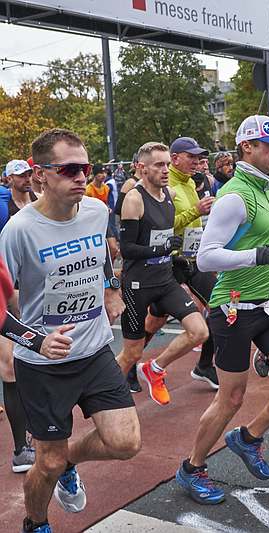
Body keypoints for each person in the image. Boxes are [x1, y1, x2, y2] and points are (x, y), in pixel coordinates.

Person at [0, 128, 140, 533]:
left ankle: (71, 463)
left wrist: (112, 291)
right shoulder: (18, 232)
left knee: (126, 443)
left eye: (86, 167)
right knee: (47, 460)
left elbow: (100, 261)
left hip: (95, 351)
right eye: (70, 169)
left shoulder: (96, 213)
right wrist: (37, 340)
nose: (81, 176)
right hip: (43, 365)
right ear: (40, 174)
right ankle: (36, 522)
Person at [176, 115, 269, 504]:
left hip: (266, 305)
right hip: (232, 310)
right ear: (247, 147)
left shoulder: (268, 186)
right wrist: (262, 254)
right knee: (231, 398)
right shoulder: (235, 194)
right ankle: (192, 467)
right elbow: (206, 258)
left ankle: (248, 438)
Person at [116, 142, 210, 405]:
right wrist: (162, 247)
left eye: (168, 164)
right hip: (138, 285)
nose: (166, 169)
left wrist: (172, 253)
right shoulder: (134, 199)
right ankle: (104, 393)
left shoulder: (168, 193)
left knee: (199, 331)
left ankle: (155, 369)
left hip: (165, 279)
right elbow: (127, 248)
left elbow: (169, 233)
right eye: (159, 164)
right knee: (131, 353)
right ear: (142, 168)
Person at [1, 159, 38, 474]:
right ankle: (19, 449)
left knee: (37, 359)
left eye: (28, 174)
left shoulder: (41, 204)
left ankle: (40, 428)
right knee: (10, 365)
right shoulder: (3, 210)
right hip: (6, 293)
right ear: (8, 179)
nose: (25, 179)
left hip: (37, 295)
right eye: (20, 175)